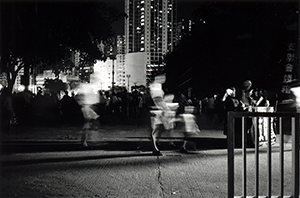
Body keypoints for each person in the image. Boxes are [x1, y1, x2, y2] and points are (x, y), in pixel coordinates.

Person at [149, 74, 177, 156]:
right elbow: (158, 100)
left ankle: (156, 144)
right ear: (157, 77)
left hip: (158, 110)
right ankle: (154, 148)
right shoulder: (155, 86)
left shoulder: (157, 86)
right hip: (155, 111)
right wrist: (166, 108)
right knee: (153, 130)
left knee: (158, 128)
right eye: (162, 77)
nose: (164, 78)